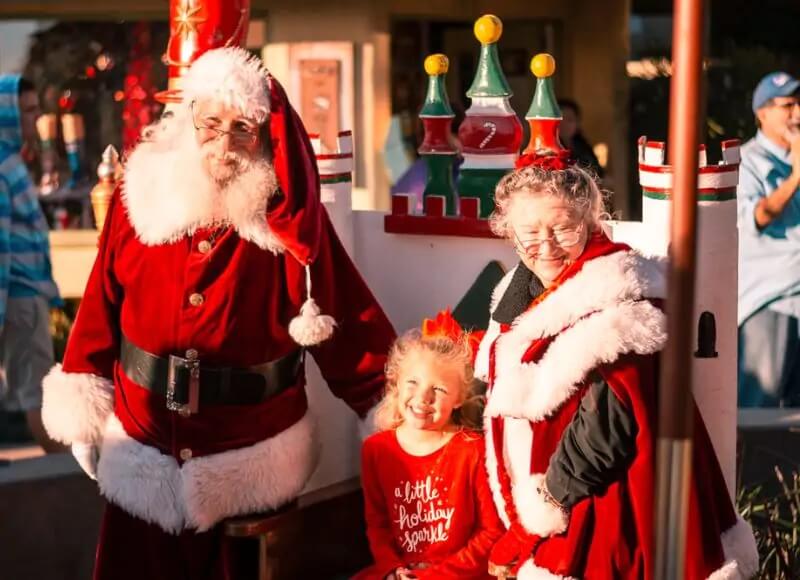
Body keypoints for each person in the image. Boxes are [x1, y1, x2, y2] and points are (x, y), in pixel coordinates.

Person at [39, 47, 396, 580]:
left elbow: (350, 322)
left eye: (242, 129)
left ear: (264, 137)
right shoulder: (138, 199)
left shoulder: (288, 223)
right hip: (142, 446)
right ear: (189, 123)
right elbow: (100, 305)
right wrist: (85, 399)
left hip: (247, 460)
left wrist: (396, 409)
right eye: (211, 124)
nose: (224, 144)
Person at [472, 156, 758, 578]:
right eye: (530, 232)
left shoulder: (617, 305)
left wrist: (529, 526)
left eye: (563, 228)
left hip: (602, 513)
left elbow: (602, 434)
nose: (546, 245)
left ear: (590, 224)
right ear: (509, 234)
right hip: (551, 511)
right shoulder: (522, 293)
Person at [355, 310, 503, 580]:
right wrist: (392, 569)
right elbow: (378, 525)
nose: (423, 398)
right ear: (396, 383)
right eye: (413, 382)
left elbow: (491, 532)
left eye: (439, 389)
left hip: (458, 574)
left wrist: (436, 576)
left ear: (459, 398)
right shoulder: (376, 450)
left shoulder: (472, 450)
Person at [0, 74, 63, 452]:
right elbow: (2, 247)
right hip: (20, 299)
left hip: (26, 296)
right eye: (28, 110)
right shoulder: (3, 167)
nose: (37, 117)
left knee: (34, 388)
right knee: (37, 393)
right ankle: (65, 479)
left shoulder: (11, 161)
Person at [737, 71, 800, 407]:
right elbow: (755, 218)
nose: (797, 113)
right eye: (787, 105)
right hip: (769, 302)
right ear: (762, 112)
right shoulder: (747, 162)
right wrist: (795, 177)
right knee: (758, 408)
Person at [557, 98, 604, 178]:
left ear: (577, 123)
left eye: (569, 120)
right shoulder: (550, 150)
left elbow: (599, 173)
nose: (564, 124)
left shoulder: (583, 147)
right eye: (560, 119)